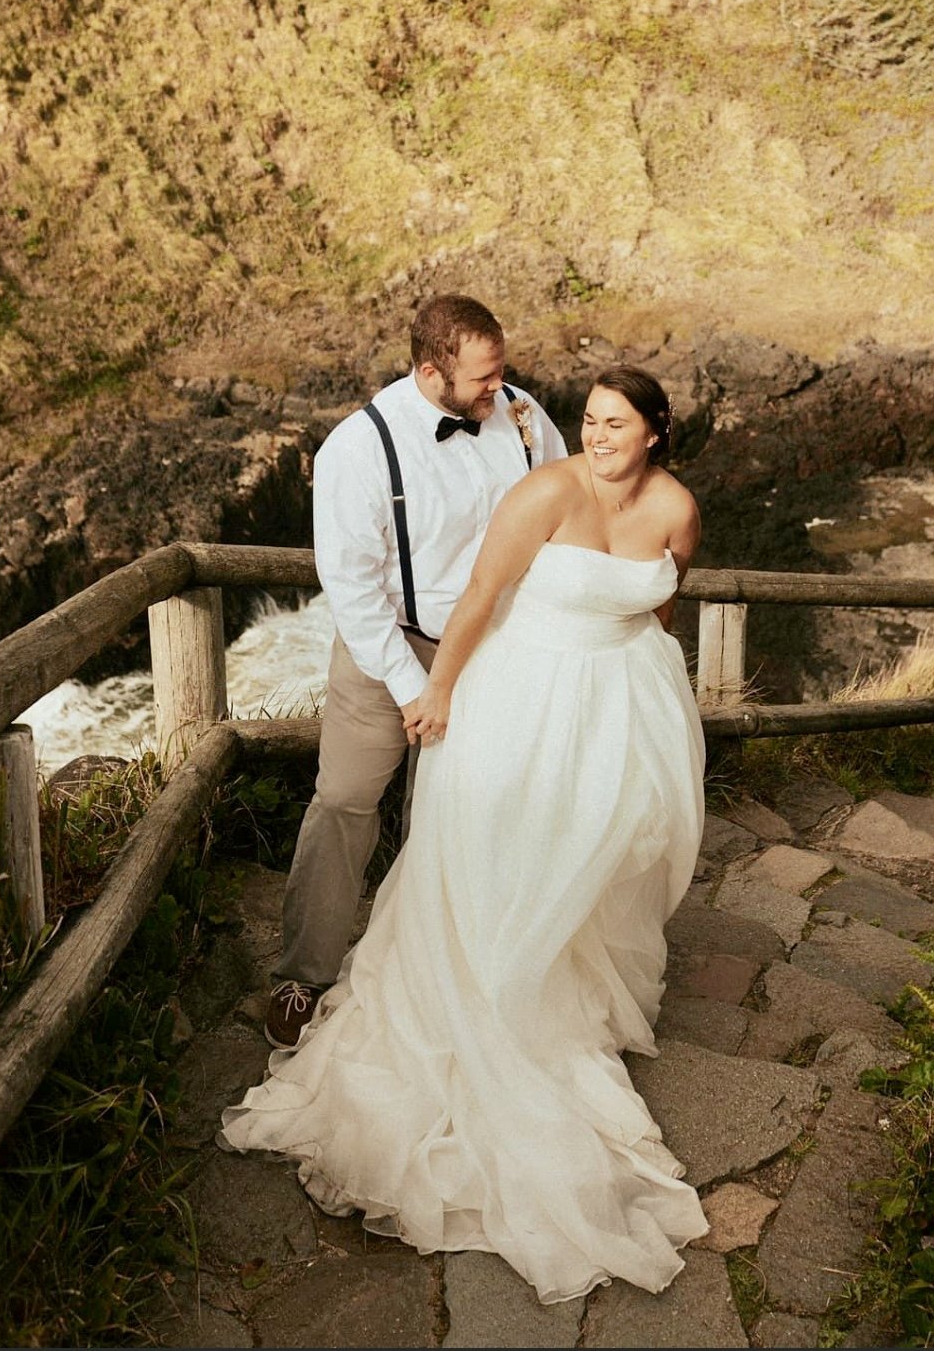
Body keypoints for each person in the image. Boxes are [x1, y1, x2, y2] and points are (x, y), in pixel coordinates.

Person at [222, 367, 708, 1304]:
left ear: (655, 432)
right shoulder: (543, 489)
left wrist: (642, 685)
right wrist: (438, 692)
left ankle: (564, 973)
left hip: (617, 699)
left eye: (615, 422)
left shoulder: (678, 509)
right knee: (491, 855)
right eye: (589, 420)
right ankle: (483, 991)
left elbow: (662, 601)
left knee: (601, 853)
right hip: (519, 693)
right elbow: (482, 594)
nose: (596, 433)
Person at [265, 293, 566, 1052]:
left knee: (482, 809)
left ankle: (474, 974)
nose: (500, 392)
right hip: (388, 654)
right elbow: (355, 593)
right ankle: (303, 974)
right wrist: (414, 689)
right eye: (483, 381)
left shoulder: (523, 415)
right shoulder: (356, 451)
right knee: (344, 801)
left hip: (498, 652)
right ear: (432, 371)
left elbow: (564, 506)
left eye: (502, 374)